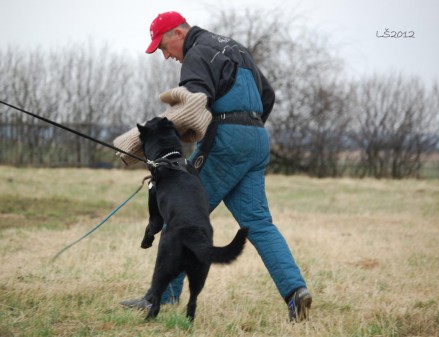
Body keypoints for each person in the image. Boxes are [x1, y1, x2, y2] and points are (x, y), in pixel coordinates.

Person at [117, 11, 312, 322]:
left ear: (179, 33)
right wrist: (248, 129)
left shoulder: (196, 55)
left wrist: (137, 139)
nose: (166, 56)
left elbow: (192, 107)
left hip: (227, 140)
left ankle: (162, 297)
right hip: (257, 138)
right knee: (259, 222)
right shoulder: (234, 47)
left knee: (181, 212)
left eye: (164, 47)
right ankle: (295, 292)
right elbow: (269, 95)